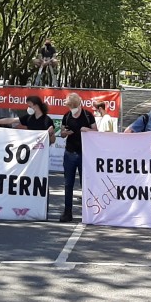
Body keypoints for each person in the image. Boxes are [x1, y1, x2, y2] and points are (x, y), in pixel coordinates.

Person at [58, 93, 96, 222]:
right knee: (68, 184)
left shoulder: (88, 115)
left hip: (84, 154)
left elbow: (97, 132)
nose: (70, 108)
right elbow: (62, 133)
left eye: (72, 106)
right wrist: (65, 133)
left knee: (85, 184)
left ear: (77, 104)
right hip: (69, 153)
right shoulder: (66, 116)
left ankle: (87, 213)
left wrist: (87, 130)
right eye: (69, 106)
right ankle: (67, 212)